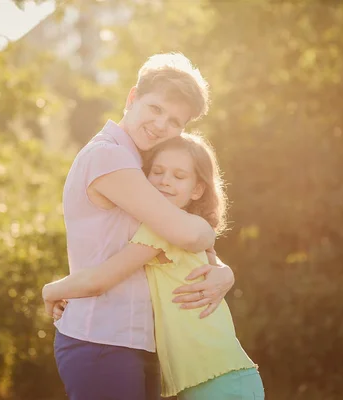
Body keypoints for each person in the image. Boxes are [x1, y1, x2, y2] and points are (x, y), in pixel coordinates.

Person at [46, 52, 236, 400]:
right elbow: (188, 233)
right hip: (101, 340)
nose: (162, 125)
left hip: (138, 343)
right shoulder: (108, 156)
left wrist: (223, 271)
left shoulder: (143, 163)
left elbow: (176, 242)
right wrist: (52, 289)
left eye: (175, 121)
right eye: (155, 108)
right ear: (132, 97)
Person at [44, 133, 265, 400]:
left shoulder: (164, 231)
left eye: (179, 176)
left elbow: (99, 281)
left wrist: (50, 290)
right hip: (215, 380)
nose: (164, 181)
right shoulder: (184, 228)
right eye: (157, 172)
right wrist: (225, 271)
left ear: (197, 190)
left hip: (221, 381)